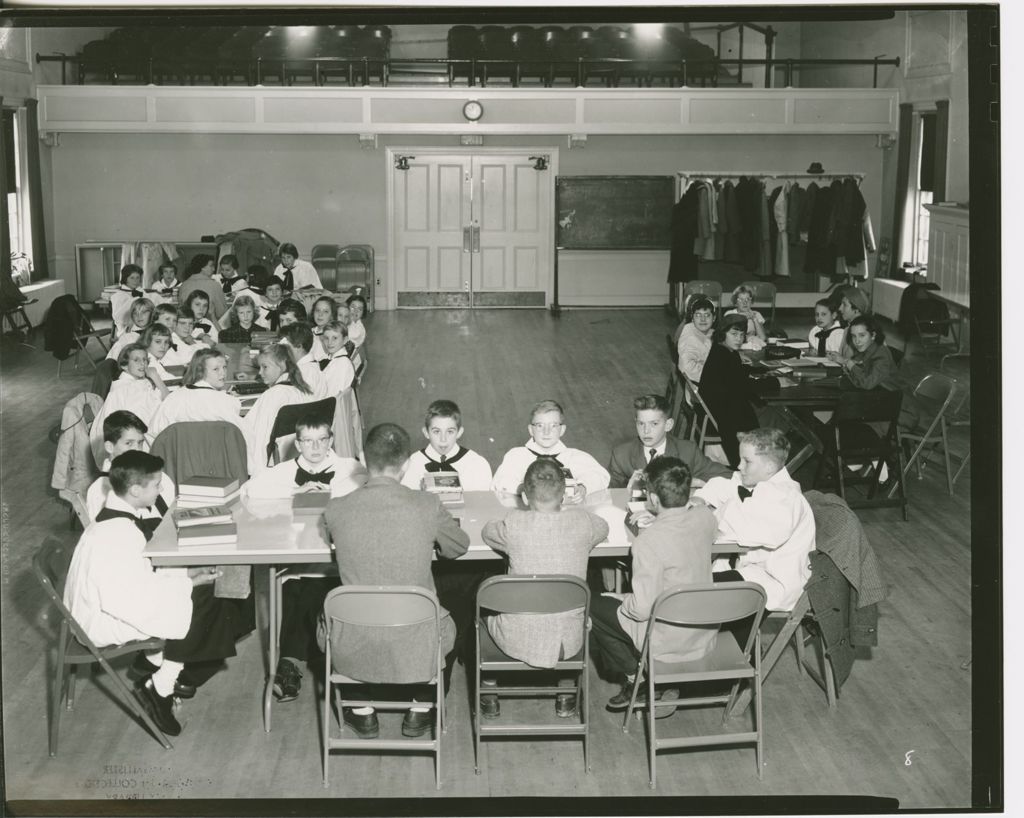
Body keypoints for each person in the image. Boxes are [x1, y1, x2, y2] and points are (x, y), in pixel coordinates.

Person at [322, 423, 469, 739]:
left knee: (318, 609)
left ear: (363, 458)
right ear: (407, 464)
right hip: (416, 641)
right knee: (455, 611)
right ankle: (422, 707)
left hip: (352, 642)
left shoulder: (336, 508)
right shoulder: (427, 504)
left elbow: (327, 535)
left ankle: (360, 709)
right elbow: (458, 546)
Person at [64, 451, 224, 736]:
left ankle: (156, 666)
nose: (161, 489)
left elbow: (137, 579)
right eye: (156, 485)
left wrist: (187, 577)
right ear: (136, 490)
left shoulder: (116, 521)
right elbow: (127, 600)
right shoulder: (118, 534)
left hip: (103, 605)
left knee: (203, 590)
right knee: (206, 599)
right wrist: (187, 586)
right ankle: (160, 685)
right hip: (99, 619)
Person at [244, 416, 368, 704]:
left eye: (322, 440)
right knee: (293, 585)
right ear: (297, 444)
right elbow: (250, 490)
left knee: (316, 587)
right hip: (298, 558)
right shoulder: (284, 471)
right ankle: (290, 661)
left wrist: (331, 491)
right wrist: (294, 492)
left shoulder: (349, 467)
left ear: (331, 440)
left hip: (339, 559)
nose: (316, 447)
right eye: (308, 441)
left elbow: (366, 484)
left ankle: (311, 660)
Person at [480, 459, 609, 718]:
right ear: (563, 494)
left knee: (482, 611)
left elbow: (487, 532)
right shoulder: (583, 522)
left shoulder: (513, 524)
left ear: (525, 497)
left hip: (516, 640)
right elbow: (603, 527)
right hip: (568, 642)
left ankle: (489, 690)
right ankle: (565, 692)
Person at [591, 457, 718, 713]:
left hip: (667, 641)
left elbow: (640, 610)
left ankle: (635, 677)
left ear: (654, 499)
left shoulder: (648, 542)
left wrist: (621, 598)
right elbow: (698, 510)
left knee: (594, 604)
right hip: (703, 633)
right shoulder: (706, 519)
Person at [693, 428, 815, 618]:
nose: (739, 466)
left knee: (688, 593)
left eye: (746, 461)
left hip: (770, 582)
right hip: (750, 571)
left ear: (768, 467)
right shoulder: (758, 481)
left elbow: (747, 529)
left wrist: (714, 516)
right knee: (687, 583)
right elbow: (725, 485)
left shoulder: (786, 497)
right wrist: (700, 499)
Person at [607, 394, 734, 490]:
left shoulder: (688, 452)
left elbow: (728, 476)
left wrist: (698, 483)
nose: (646, 431)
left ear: (668, 425)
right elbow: (609, 497)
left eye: (654, 424)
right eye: (641, 423)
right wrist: (628, 490)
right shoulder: (621, 455)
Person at [491, 399, 610, 499]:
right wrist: (523, 488)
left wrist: (584, 487)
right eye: (540, 425)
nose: (546, 432)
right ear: (531, 430)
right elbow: (501, 480)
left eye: (553, 426)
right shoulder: (516, 455)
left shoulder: (575, 456)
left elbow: (600, 476)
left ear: (562, 430)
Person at [698, 313, 770, 467]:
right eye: (734, 334)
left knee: (766, 411)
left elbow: (736, 376)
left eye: (742, 334)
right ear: (722, 334)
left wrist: (756, 372)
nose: (739, 338)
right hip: (726, 419)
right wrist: (776, 382)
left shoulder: (722, 351)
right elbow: (743, 385)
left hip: (718, 410)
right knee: (770, 413)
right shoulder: (725, 356)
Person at [241, 343, 319, 475]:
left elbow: (261, 438)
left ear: (282, 365)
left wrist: (257, 476)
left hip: (273, 464)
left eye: (265, 367)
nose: (260, 372)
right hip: (299, 460)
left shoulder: (273, 395)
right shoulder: (304, 390)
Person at [85, 410, 175, 522]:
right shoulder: (100, 491)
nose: (137, 450)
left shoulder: (159, 478)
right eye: (129, 443)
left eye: (140, 443)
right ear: (109, 447)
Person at [90, 343, 168, 464]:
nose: (143, 364)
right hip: (128, 445)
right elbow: (147, 422)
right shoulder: (126, 389)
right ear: (124, 365)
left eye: (145, 360)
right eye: (136, 360)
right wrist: (156, 377)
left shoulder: (137, 382)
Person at [147, 348, 245, 440]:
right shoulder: (228, 402)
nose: (223, 373)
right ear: (200, 371)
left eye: (224, 367)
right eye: (216, 369)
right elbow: (242, 435)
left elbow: (153, 432)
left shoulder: (173, 398)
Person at [400, 399, 493, 492]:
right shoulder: (413, 464)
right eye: (436, 431)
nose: (443, 439)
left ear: (459, 432)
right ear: (426, 432)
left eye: (450, 431)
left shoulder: (476, 464)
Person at [831, 314, 901, 391]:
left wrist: (848, 363)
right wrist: (845, 362)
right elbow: (857, 372)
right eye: (854, 336)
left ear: (873, 335)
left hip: (889, 395)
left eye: (862, 335)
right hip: (873, 391)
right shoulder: (866, 347)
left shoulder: (882, 354)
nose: (857, 341)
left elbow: (867, 383)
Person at [278, 322, 328, 399]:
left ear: (299, 346)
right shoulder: (313, 367)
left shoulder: (302, 373)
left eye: (286, 345)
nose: (282, 349)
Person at [676, 295, 717, 384]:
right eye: (698, 315)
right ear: (692, 318)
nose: (703, 319)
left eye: (707, 315)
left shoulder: (705, 331)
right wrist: (716, 375)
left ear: (714, 318)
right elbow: (686, 368)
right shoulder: (690, 338)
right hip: (698, 385)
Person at [313, 320, 355, 397]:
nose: (329, 342)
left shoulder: (341, 364)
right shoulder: (334, 358)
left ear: (345, 340)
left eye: (335, 338)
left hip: (327, 405)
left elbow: (331, 395)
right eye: (326, 338)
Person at [181, 254, 227, 320]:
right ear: (202, 267)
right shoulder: (214, 285)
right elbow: (222, 313)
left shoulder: (184, 285)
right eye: (211, 266)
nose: (213, 269)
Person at [834, 287, 870, 359]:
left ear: (856, 309)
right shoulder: (847, 330)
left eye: (844, 305)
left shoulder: (866, 333)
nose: (840, 308)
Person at [110, 264, 145, 337]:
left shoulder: (140, 291)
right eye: (132, 278)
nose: (135, 281)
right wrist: (134, 301)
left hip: (142, 325)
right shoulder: (118, 296)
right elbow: (118, 318)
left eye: (138, 278)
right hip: (126, 331)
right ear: (125, 279)